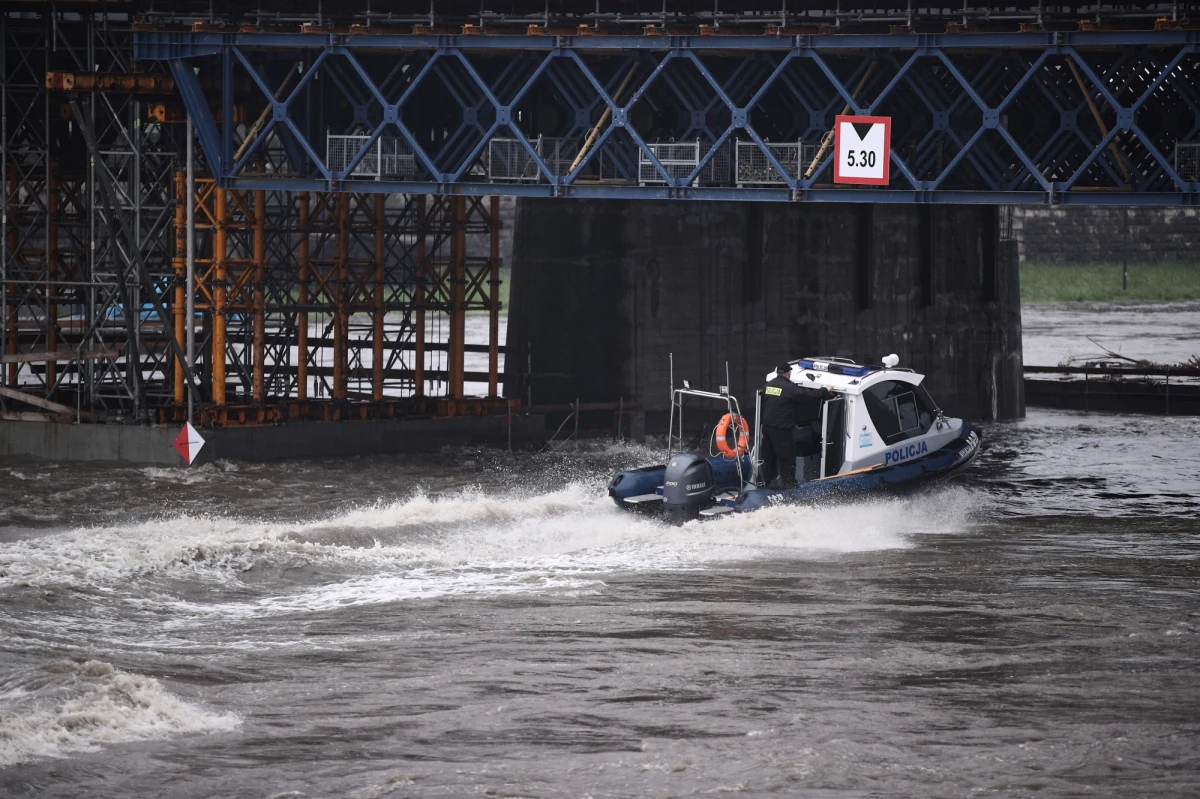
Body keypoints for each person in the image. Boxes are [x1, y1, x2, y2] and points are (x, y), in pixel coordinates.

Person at [759, 361, 833, 489]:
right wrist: (825, 390)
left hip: (767, 428)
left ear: (777, 373)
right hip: (781, 430)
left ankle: (766, 483)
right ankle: (789, 486)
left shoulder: (768, 386)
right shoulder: (790, 388)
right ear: (788, 373)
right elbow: (809, 396)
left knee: (768, 456)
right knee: (786, 458)